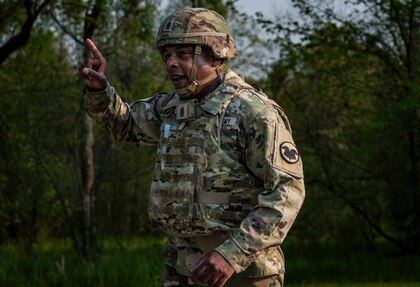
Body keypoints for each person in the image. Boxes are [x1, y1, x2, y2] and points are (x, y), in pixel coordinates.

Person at [79, 7, 305, 287]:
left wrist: (231, 254)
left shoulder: (252, 113)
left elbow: (287, 193)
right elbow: (125, 125)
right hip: (181, 268)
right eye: (167, 55)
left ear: (215, 54)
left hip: (240, 273)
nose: (171, 63)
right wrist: (100, 91)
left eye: (183, 54)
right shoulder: (171, 108)